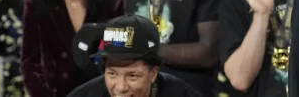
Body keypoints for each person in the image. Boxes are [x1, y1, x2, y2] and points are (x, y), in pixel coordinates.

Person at [67, 15, 202, 97]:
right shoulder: (86, 94)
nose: (121, 87)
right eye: (112, 74)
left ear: (153, 74)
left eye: (132, 76)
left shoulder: (179, 93)